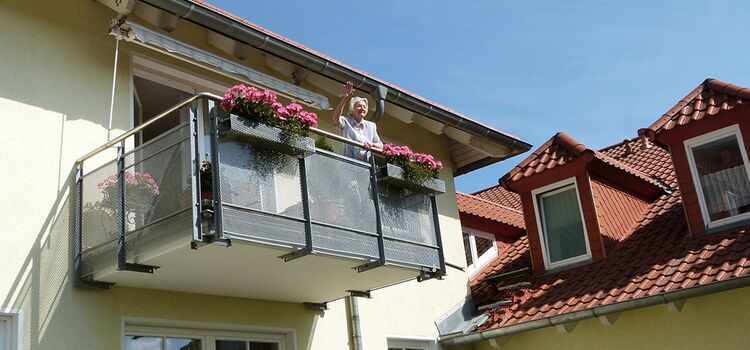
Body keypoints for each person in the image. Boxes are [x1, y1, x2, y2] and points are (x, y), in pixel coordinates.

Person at [331, 82, 383, 161]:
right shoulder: (346, 121)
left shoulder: (371, 126)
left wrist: (372, 144)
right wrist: (345, 98)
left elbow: (380, 146)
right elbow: (335, 118)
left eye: (364, 107)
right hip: (347, 162)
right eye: (359, 106)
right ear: (352, 110)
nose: (362, 108)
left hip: (365, 165)